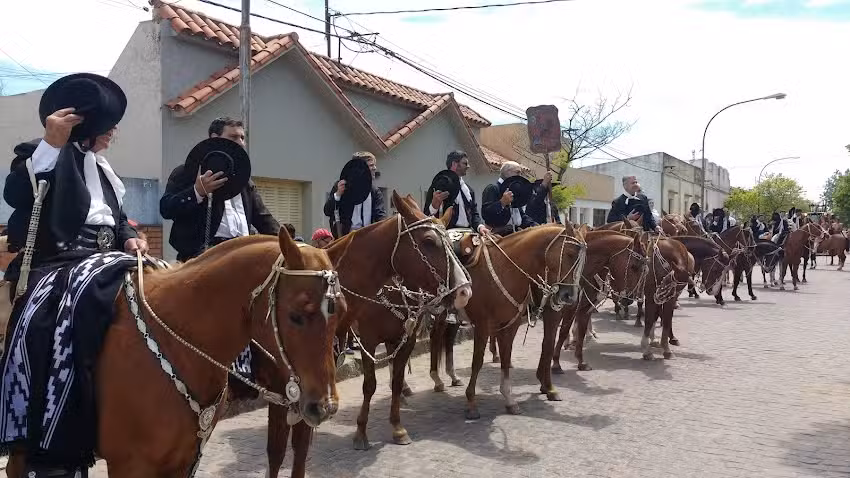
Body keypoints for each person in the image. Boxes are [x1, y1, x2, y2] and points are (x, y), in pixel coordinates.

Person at [1, 73, 147, 477]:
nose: (115, 131)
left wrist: (131, 236)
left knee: (160, 280)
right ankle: (51, 434)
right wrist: (52, 144)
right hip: (58, 263)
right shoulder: (36, 152)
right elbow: (15, 195)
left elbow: (116, 222)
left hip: (107, 259)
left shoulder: (104, 170)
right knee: (62, 309)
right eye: (109, 124)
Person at [160, 117, 279, 262]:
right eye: (234, 137)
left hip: (243, 256)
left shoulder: (244, 180)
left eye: (242, 138)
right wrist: (197, 192)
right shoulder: (188, 172)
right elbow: (166, 208)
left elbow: (263, 219)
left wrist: (292, 242)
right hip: (202, 258)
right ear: (215, 139)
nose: (241, 143)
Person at [424, 150, 489, 234]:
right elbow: (426, 215)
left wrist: (480, 226)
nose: (468, 166)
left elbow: (474, 213)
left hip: (470, 233)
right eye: (465, 163)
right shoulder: (439, 186)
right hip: (447, 234)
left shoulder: (468, 190)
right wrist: (434, 206)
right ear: (454, 164)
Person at [324, 151, 386, 238]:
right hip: (345, 239)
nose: (375, 168)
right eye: (371, 165)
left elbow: (380, 216)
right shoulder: (342, 186)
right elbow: (327, 211)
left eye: (374, 165)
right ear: (361, 168)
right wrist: (338, 195)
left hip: (368, 239)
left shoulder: (375, 191)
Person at [481, 161, 537, 235]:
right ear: (507, 172)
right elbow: (486, 213)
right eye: (517, 172)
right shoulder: (493, 188)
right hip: (498, 235)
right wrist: (502, 203)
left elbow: (521, 215)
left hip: (514, 234)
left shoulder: (514, 190)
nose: (520, 176)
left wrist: (535, 226)